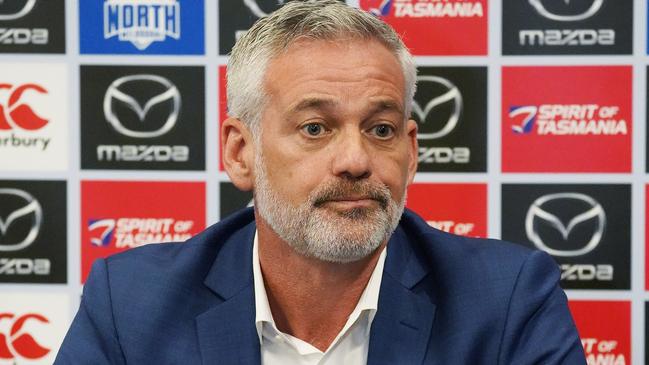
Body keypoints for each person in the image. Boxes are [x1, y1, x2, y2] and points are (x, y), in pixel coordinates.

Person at [55, 1, 586, 364]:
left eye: (381, 129)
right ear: (242, 153)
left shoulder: (509, 300)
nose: (355, 160)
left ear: (412, 151)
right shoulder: (131, 305)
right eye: (315, 128)